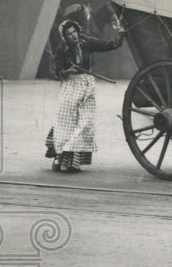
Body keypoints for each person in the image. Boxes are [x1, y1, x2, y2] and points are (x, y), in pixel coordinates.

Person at [44, 18, 125, 173]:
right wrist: (68, 71)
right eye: (69, 34)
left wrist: (121, 36)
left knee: (85, 123)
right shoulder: (62, 49)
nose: (73, 36)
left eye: (74, 32)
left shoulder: (86, 42)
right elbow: (58, 72)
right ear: (65, 37)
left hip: (87, 85)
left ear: (78, 31)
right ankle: (59, 158)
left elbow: (110, 45)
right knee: (66, 124)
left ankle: (73, 162)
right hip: (70, 85)